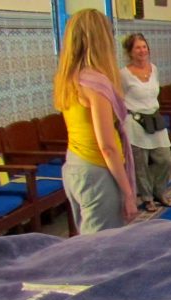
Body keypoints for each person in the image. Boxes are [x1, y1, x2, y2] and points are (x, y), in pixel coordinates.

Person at [53, 9, 137, 234]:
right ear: (101, 40)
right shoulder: (95, 83)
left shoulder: (69, 77)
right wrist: (128, 192)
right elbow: (107, 146)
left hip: (75, 165)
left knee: (88, 240)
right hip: (97, 169)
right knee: (102, 248)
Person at [120, 33, 171, 213]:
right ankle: (147, 198)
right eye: (137, 48)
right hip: (135, 122)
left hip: (155, 119)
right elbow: (118, 100)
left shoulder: (154, 69)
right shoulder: (124, 75)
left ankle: (160, 191)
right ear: (130, 52)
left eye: (144, 47)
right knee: (140, 164)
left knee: (165, 158)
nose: (142, 51)